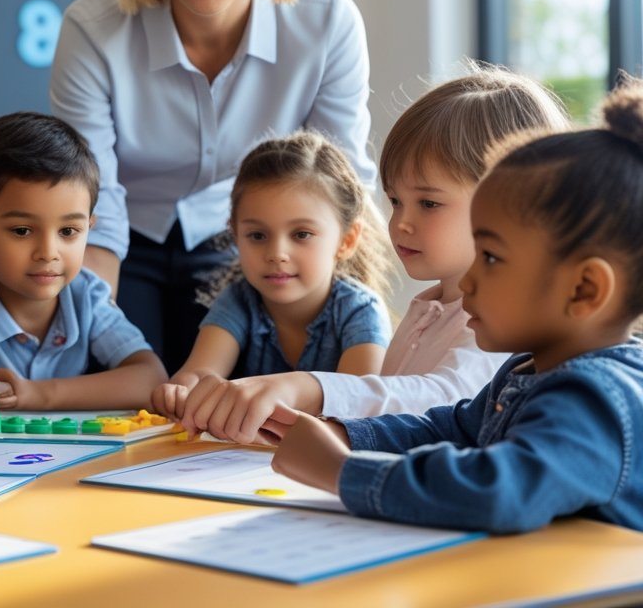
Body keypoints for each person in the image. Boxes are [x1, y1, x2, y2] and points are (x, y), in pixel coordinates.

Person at [51, 0, 376, 373]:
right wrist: (84, 349)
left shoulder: (327, 22)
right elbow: (94, 210)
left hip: (253, 243)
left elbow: (338, 195)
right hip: (127, 249)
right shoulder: (92, 30)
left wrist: (341, 353)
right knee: (125, 383)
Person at [267, 81, 643, 533]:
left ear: (584, 289)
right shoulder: (527, 370)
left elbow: (497, 492)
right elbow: (449, 428)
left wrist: (341, 471)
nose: (468, 279)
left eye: (491, 257)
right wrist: (348, 435)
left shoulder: (595, 399)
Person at [174, 68, 569, 441]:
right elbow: (389, 423)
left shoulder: (507, 318)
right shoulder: (428, 310)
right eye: (396, 200)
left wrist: (310, 387)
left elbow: (448, 401)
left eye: (428, 204)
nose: (401, 223)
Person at [0, 112, 166, 421]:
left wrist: (38, 394)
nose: (48, 253)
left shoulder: (88, 295)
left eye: (68, 232)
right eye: (22, 231)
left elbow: (150, 378)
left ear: (89, 228)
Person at [151, 131, 393, 422]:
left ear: (347, 240)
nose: (277, 253)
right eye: (257, 235)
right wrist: (181, 391)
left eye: (301, 234)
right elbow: (201, 372)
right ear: (235, 236)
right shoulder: (238, 300)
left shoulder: (360, 311)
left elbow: (357, 402)